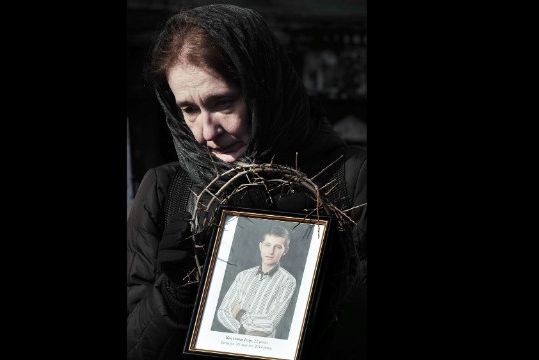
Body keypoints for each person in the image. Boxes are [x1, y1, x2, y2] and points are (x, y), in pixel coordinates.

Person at [127, 4, 367, 360]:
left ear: (265, 91)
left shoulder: (351, 177)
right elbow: (134, 347)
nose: (206, 132)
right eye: (189, 109)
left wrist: (335, 287)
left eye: (222, 103)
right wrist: (175, 295)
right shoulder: (166, 190)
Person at [216, 225, 296, 338]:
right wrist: (241, 329)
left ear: (285, 251)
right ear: (260, 246)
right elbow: (223, 312)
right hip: (233, 339)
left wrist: (239, 313)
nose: (271, 251)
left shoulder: (287, 281)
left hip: (263, 346)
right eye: (267, 245)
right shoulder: (243, 276)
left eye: (278, 247)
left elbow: (270, 323)